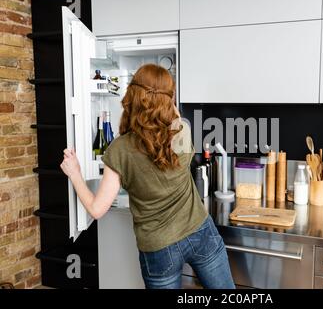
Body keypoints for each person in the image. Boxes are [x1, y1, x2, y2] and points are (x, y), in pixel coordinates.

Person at [60, 63, 235, 289]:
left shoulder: (119, 150)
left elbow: (96, 209)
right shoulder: (182, 130)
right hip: (200, 231)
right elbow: (174, 117)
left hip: (159, 247)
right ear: (169, 99)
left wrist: (74, 173)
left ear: (132, 96)